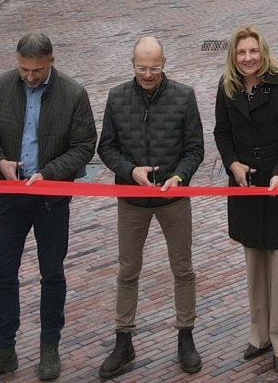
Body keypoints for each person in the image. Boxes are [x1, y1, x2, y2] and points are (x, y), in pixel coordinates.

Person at [0, 34, 97, 383]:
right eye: (24, 69)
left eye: (37, 70)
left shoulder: (73, 94)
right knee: (2, 271)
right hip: (11, 193)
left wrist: (49, 174)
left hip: (51, 198)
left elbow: (85, 145)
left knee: (52, 273)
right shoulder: (0, 87)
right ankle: (2, 349)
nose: (29, 76)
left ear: (51, 62)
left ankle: (49, 347)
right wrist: (0, 161)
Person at [95, 36, 206, 378]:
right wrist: (130, 171)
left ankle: (185, 335)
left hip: (173, 198)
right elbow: (106, 148)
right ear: (132, 64)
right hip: (132, 199)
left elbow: (195, 149)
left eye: (154, 68)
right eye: (141, 68)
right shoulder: (116, 97)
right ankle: (123, 339)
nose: (147, 74)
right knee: (128, 271)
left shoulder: (184, 96)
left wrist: (179, 176)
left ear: (164, 63)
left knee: (182, 268)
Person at [213, 25, 278, 372]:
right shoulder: (227, 87)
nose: (248, 58)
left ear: (263, 52)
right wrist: (232, 164)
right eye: (241, 52)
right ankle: (260, 336)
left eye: (253, 51)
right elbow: (222, 132)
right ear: (233, 56)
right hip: (247, 188)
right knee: (256, 266)